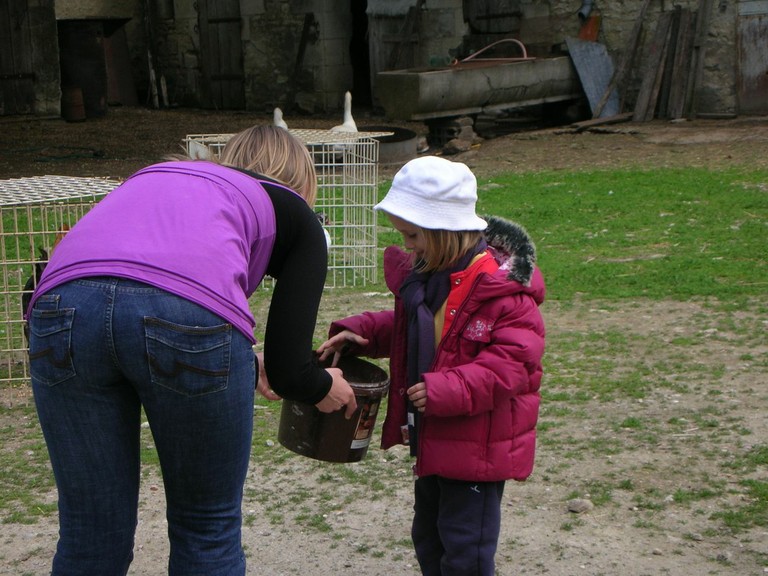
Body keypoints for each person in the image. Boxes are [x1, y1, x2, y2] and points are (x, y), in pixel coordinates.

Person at [25, 124, 357, 576]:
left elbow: (119, 292)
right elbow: (290, 370)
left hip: (58, 306)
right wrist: (324, 386)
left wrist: (239, 361)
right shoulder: (295, 212)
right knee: (206, 527)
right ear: (302, 185)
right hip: (185, 310)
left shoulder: (165, 177)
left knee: (89, 530)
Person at [317, 155, 546, 576]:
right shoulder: (432, 277)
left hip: (476, 446)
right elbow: (420, 330)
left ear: (443, 229)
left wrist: (447, 388)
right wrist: (363, 332)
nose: (407, 246)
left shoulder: (505, 291)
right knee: (428, 537)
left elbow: (511, 366)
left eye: (412, 235)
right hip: (434, 436)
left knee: (466, 549)